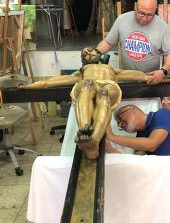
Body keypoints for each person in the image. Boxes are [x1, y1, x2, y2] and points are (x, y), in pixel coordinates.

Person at [21, 47, 149, 159]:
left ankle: (93, 142)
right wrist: (31, 85)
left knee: (104, 94)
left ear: (99, 54)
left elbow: (136, 75)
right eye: (85, 54)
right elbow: (50, 82)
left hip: (108, 86)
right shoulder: (82, 72)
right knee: (87, 85)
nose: (88, 54)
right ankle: (85, 129)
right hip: (87, 87)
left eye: (90, 51)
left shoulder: (110, 69)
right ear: (84, 61)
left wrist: (150, 76)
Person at [106, 105, 170, 214]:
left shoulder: (162, 115)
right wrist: (110, 149)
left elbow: (152, 144)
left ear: (133, 109)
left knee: (139, 190)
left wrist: (112, 136)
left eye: (120, 119)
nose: (120, 125)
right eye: (119, 124)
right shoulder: (141, 134)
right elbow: (135, 163)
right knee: (133, 177)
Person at [85, 0, 170, 85]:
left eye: (150, 15)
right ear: (135, 6)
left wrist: (163, 71)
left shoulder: (162, 26)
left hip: (151, 80)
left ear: (155, 10)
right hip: (125, 79)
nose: (145, 18)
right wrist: (96, 52)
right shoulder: (122, 20)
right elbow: (108, 43)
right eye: (141, 13)